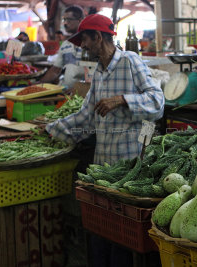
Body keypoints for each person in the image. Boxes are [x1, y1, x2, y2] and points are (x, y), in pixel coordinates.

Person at [45, 14, 164, 266]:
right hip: (103, 167)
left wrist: (123, 99)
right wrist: (51, 130)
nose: (83, 46)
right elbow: (86, 117)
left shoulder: (130, 61)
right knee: (103, 233)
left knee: (122, 235)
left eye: (85, 40)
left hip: (129, 166)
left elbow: (157, 102)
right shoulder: (98, 72)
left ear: (98, 37)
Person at [39, 5, 85, 89]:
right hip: (66, 92)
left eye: (69, 20)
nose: (65, 23)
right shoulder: (65, 45)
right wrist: (39, 84)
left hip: (84, 94)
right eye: (64, 19)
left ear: (80, 21)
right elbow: (55, 70)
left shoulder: (90, 44)